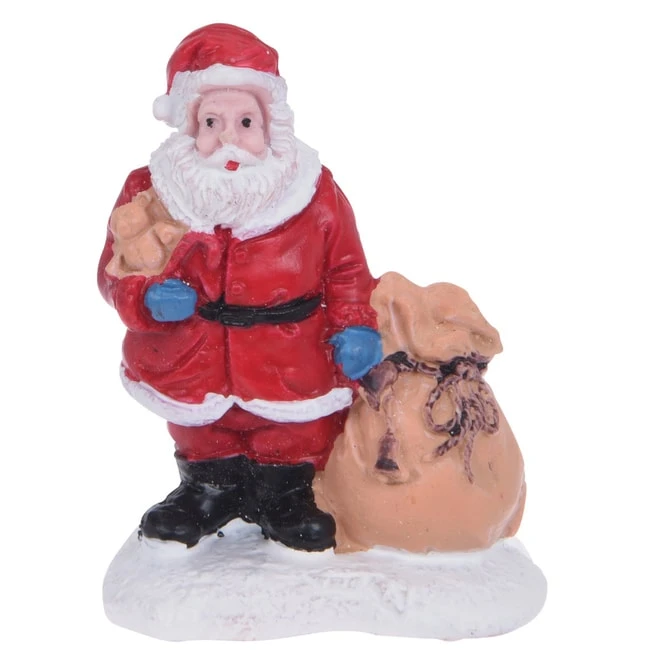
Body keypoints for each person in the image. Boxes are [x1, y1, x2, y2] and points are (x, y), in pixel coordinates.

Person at [98, 24, 382, 552]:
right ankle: (207, 490)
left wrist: (356, 325)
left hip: (290, 354)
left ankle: (286, 494)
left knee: (290, 431)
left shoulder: (312, 188)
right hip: (191, 355)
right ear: (190, 125)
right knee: (203, 428)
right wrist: (145, 298)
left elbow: (346, 268)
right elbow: (113, 270)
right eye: (212, 122)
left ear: (270, 124)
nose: (228, 138)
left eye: (245, 122)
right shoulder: (151, 191)